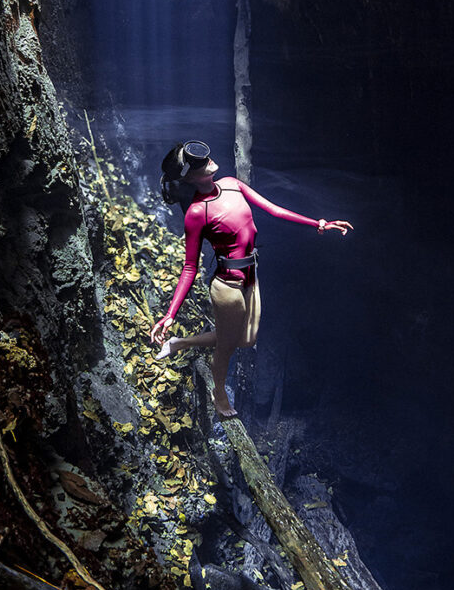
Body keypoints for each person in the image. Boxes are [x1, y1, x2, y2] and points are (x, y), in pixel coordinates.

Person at [150, 140, 353, 418]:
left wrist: (318, 224)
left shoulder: (233, 184)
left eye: (205, 158)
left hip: (251, 277)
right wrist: (171, 313)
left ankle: (179, 343)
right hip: (227, 286)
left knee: (245, 340)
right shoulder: (197, 213)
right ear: (191, 177)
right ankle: (218, 393)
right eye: (199, 163)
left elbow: (275, 210)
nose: (208, 161)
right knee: (226, 346)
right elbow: (189, 267)